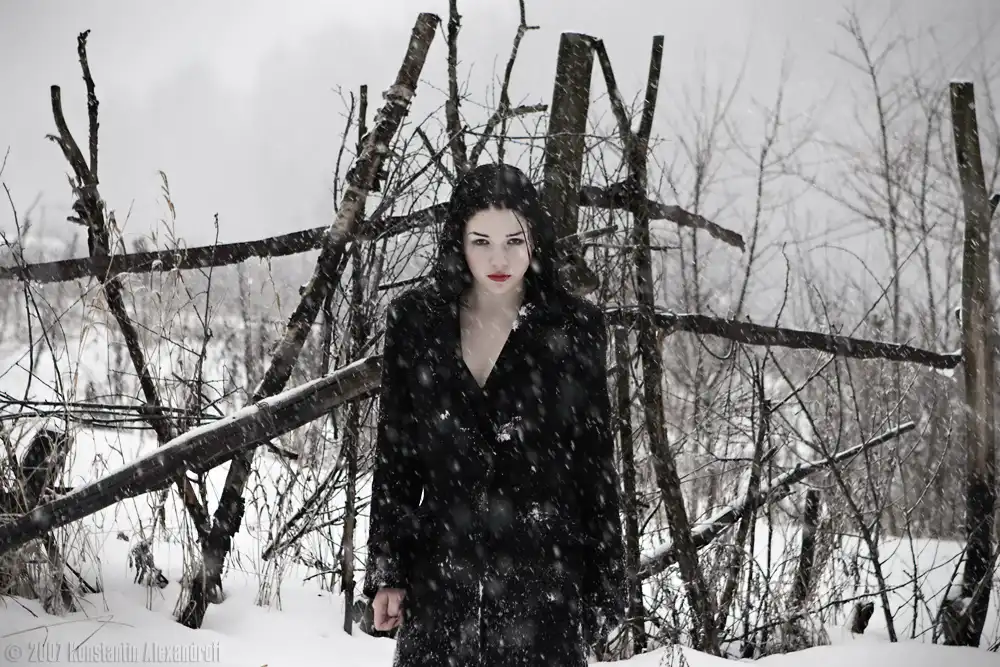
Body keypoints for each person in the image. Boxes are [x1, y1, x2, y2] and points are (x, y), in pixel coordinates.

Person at [362, 162, 625, 667]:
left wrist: (604, 583)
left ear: (535, 240)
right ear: (458, 241)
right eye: (481, 241)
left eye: (514, 241)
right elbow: (397, 457)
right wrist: (388, 571)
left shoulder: (576, 327)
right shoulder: (416, 321)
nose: (499, 258)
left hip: (542, 583)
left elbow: (594, 464)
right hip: (441, 581)